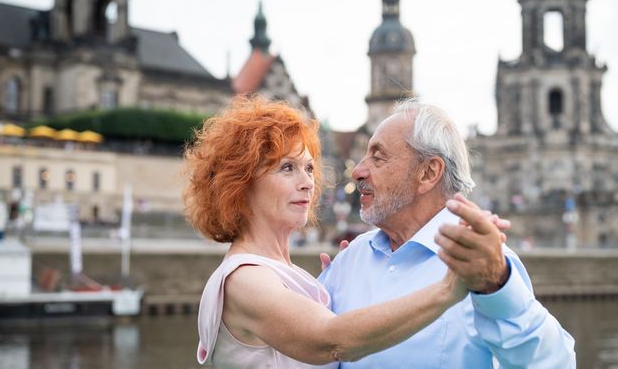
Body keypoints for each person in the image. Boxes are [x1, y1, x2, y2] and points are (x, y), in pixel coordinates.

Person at [184, 95, 488, 368]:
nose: (306, 182)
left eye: (309, 168)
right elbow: (331, 341)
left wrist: (349, 288)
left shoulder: (293, 275)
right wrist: (447, 291)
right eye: (287, 168)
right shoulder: (243, 280)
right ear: (241, 182)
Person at [319, 100, 576, 368]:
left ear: (428, 173)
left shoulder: (483, 265)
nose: (358, 171)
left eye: (378, 157)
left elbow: (554, 363)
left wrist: (497, 286)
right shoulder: (351, 258)